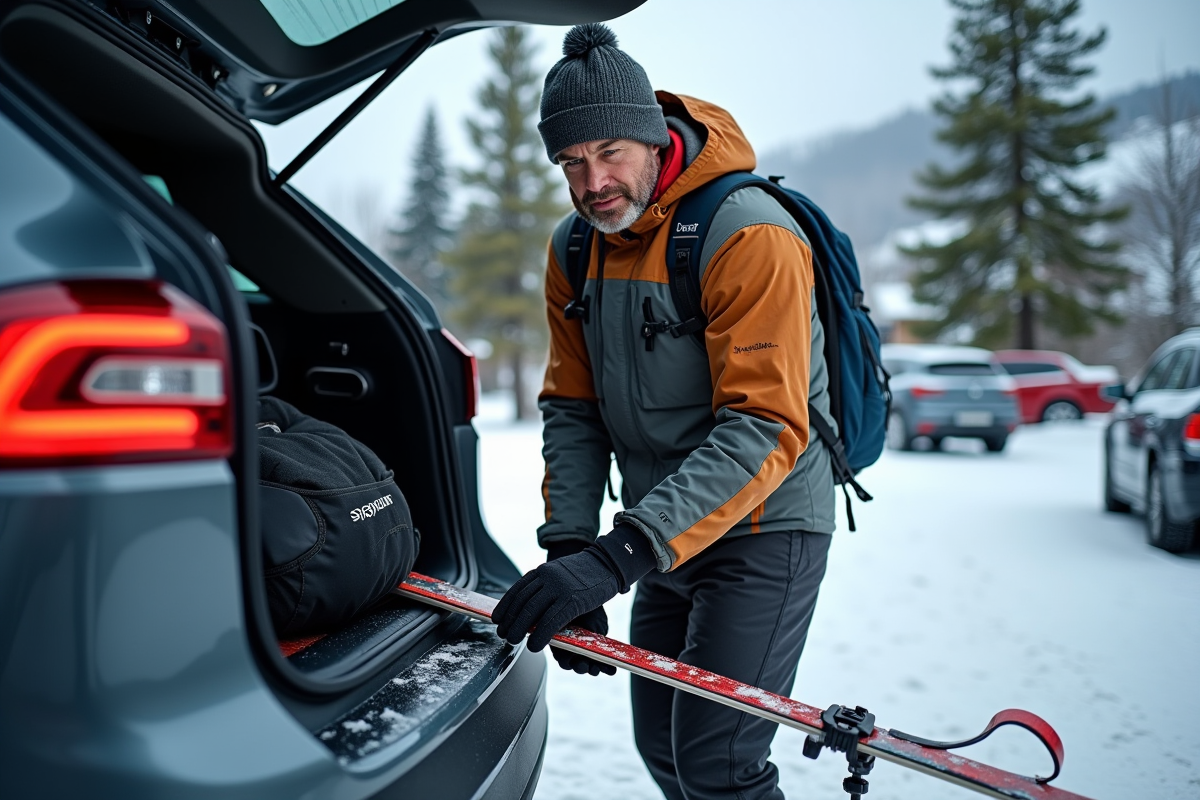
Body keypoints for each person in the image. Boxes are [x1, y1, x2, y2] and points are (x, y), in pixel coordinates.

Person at [492, 23, 836, 800]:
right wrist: (572, 551)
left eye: (610, 151)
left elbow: (767, 425)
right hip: (661, 529)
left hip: (763, 526)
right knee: (664, 748)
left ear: (653, 138)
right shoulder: (575, 247)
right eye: (571, 162)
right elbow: (572, 406)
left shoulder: (748, 234)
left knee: (719, 762)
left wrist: (615, 561)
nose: (592, 182)